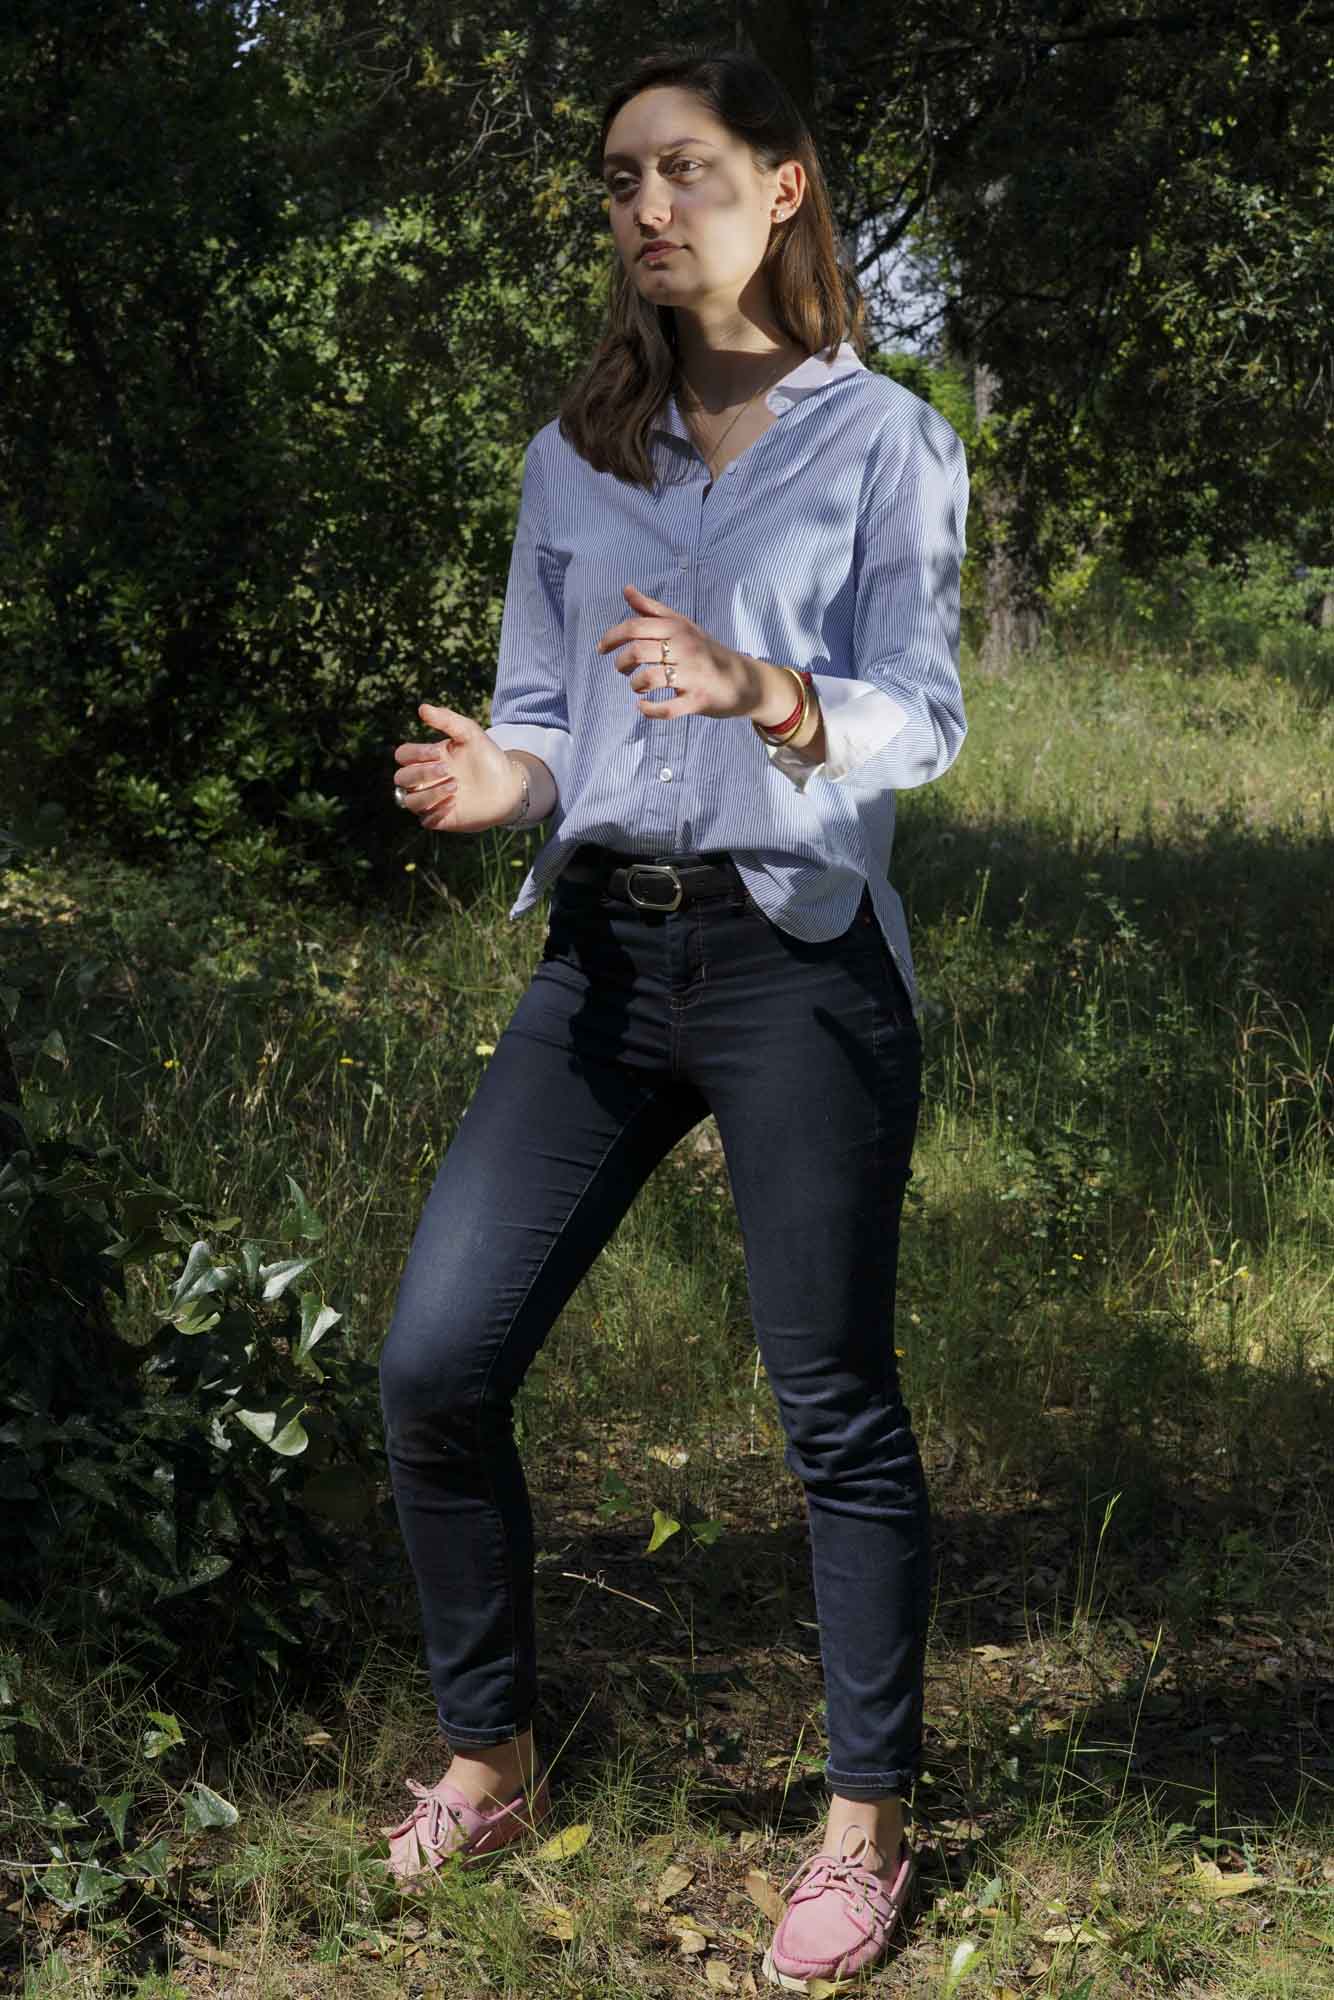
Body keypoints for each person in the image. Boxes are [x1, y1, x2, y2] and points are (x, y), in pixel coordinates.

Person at [377, 42, 967, 1993]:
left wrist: (766, 692)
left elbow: (920, 719)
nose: (645, 207)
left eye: (685, 169)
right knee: (434, 1364)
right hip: (603, 967)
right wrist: (507, 780)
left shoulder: (885, 441)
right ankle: (491, 1760)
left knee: (831, 1404)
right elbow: (543, 706)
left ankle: (863, 1827)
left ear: (780, 187)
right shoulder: (574, 454)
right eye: (621, 178)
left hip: (797, 960)